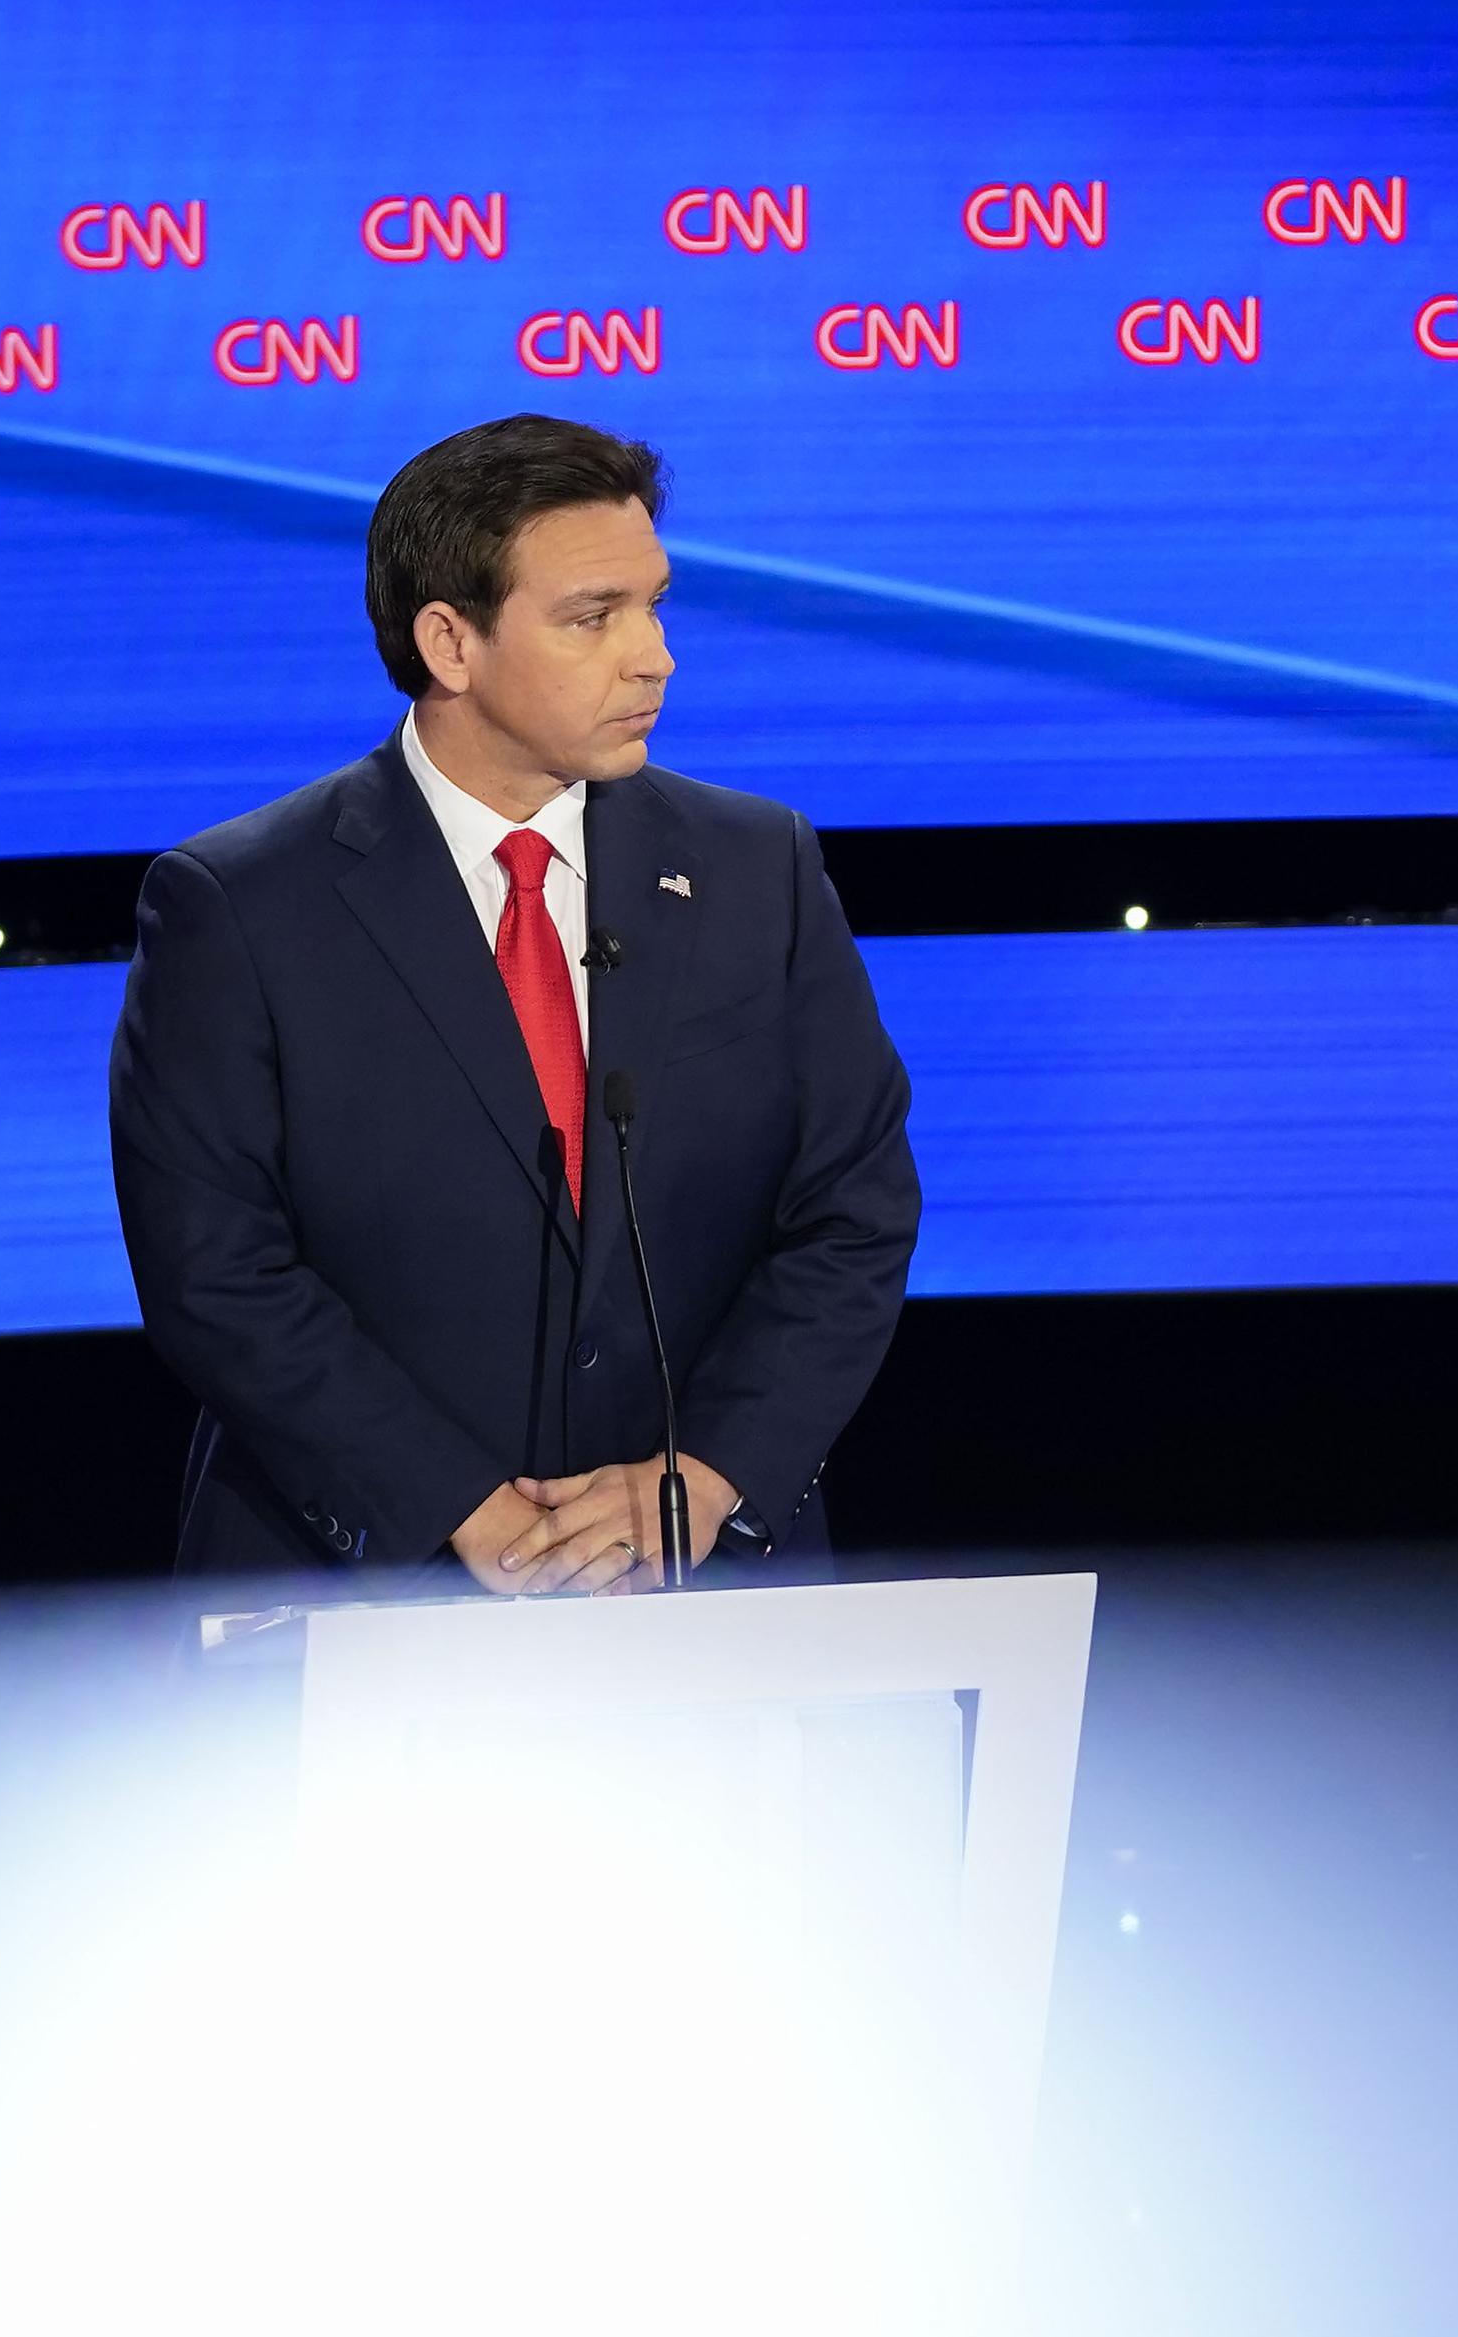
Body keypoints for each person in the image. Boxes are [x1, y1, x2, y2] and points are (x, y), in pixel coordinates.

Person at [111, 415, 918, 1592]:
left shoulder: (759, 867)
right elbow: (214, 1271)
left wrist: (702, 1478)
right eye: (594, 618)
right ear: (451, 642)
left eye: (655, 606)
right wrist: (462, 1510)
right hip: (371, 1585)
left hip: (697, 1580)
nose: (654, 658)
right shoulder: (236, 906)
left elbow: (855, 1207)